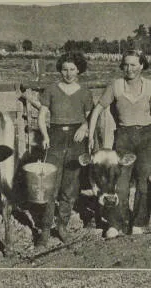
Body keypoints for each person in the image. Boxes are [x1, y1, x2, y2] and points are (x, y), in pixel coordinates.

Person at [88, 50, 151, 239]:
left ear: (142, 65)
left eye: (134, 64)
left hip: (148, 137)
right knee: (120, 183)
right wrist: (91, 135)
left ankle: (139, 223)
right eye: (126, 64)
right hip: (124, 137)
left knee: (144, 182)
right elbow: (97, 109)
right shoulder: (116, 86)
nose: (129, 68)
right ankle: (116, 224)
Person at [37, 51, 94, 247]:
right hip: (55, 137)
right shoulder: (51, 90)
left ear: (79, 70)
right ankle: (45, 229)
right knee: (50, 186)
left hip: (76, 141)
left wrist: (85, 127)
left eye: (72, 69)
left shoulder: (85, 92)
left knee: (70, 187)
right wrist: (45, 136)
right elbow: (42, 115)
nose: (68, 73)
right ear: (60, 70)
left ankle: (62, 226)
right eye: (64, 69)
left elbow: (90, 117)